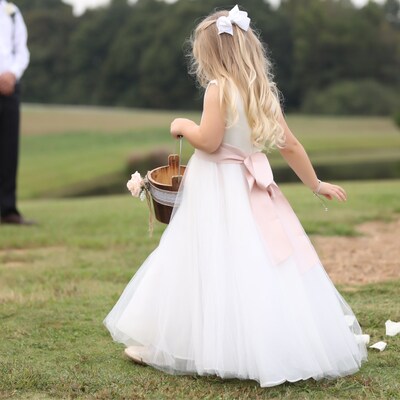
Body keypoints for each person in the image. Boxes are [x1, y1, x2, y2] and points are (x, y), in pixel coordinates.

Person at [104, 5, 367, 387]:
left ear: (210, 55)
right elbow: (291, 145)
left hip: (215, 186)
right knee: (252, 260)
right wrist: (315, 184)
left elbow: (209, 142)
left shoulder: (218, 90)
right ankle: (254, 343)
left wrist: (183, 126)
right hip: (248, 188)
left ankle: (173, 344)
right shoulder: (261, 92)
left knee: (199, 259)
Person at [0, 0, 31, 225]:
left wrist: (12, 74)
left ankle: (7, 209)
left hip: (9, 88)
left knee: (9, 150)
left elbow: (22, 50)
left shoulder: (11, 12)